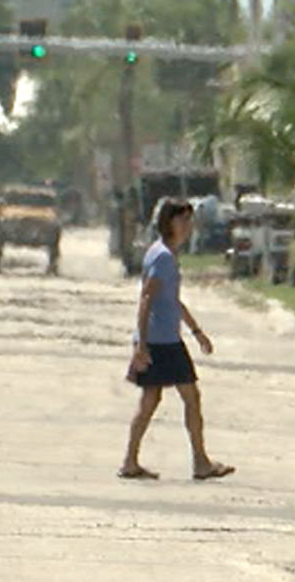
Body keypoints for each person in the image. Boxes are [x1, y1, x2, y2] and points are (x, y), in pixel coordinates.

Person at [120, 197, 235, 481]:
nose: (187, 225)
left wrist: (196, 331)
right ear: (168, 222)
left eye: (189, 220)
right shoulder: (163, 258)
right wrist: (142, 344)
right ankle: (200, 462)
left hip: (162, 338)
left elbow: (171, 300)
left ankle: (131, 461)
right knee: (190, 397)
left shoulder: (162, 253)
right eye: (182, 220)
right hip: (162, 342)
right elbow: (146, 298)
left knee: (151, 400)